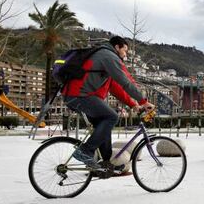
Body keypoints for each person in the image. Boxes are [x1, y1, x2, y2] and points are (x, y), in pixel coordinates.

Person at [64, 36, 154, 170]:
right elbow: (125, 82)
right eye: (125, 50)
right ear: (117, 47)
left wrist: (133, 104)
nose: (125, 54)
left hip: (78, 95)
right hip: (80, 95)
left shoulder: (103, 57)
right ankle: (85, 151)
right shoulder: (108, 56)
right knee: (112, 116)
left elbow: (116, 88)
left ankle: (106, 164)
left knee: (104, 127)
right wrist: (143, 101)